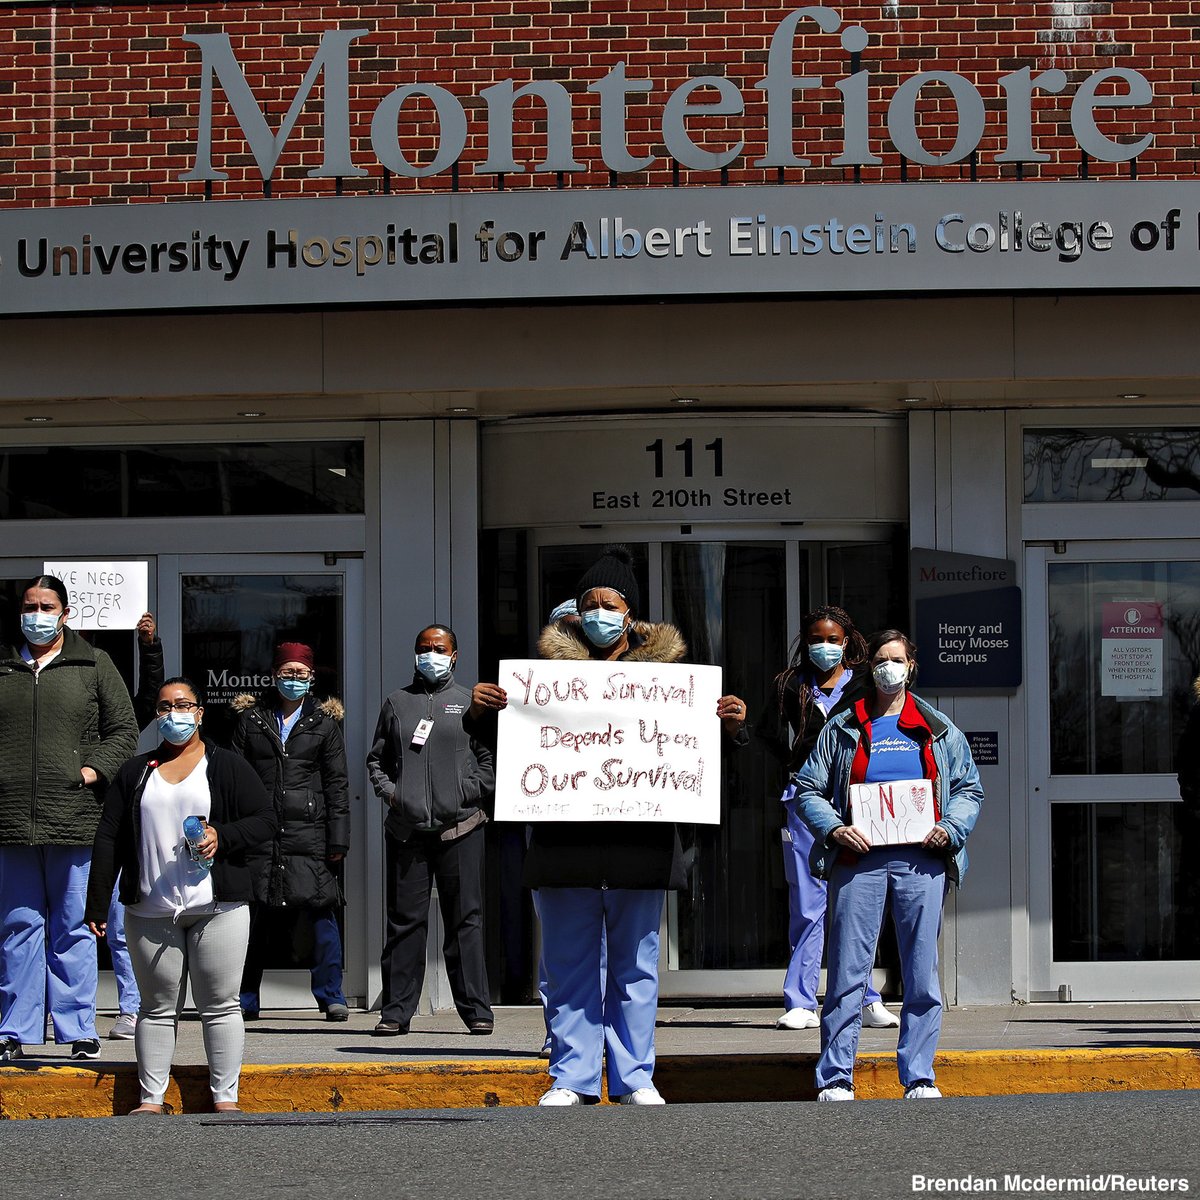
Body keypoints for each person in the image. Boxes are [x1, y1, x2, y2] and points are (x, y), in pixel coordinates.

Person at [469, 544, 749, 1106]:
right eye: (590, 603)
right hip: (564, 846)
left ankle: (634, 1077)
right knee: (568, 967)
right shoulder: (543, 681)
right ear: (576, 612)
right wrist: (482, 714)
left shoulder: (671, 683)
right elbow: (509, 752)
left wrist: (729, 728)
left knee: (636, 969)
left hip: (640, 848)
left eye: (610, 604)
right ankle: (571, 1077)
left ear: (630, 614)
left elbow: (702, 761)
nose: (599, 613)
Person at [796, 629, 983, 1101]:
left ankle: (919, 1076)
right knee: (847, 973)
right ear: (870, 667)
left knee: (921, 973)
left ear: (911, 666)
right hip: (857, 862)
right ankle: (836, 1077)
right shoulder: (844, 726)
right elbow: (808, 788)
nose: (888, 668)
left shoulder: (938, 728)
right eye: (881, 659)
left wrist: (951, 828)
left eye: (896, 659)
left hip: (922, 864)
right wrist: (834, 829)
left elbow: (968, 789)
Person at [85, 677, 276, 1114]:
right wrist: (97, 902)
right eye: (165, 707)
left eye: (184, 705)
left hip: (218, 907)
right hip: (150, 909)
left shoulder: (226, 765)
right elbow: (109, 837)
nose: (175, 714)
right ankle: (150, 1099)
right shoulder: (135, 772)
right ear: (157, 716)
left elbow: (265, 819)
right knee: (155, 1007)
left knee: (221, 1005)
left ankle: (225, 1097)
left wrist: (221, 835)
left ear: (200, 713)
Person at [0, 575, 139, 1064]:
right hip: (11, 821)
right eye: (29, 606)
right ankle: (14, 1028)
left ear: (65, 613)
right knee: (18, 928)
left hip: (75, 818)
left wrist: (90, 771)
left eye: (46, 606)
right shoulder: (3, 665)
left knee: (75, 928)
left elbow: (124, 730)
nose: (36, 615)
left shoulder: (94, 663)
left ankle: (78, 1027)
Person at [762, 605, 898, 1032]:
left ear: (847, 641)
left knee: (858, 901)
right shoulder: (790, 684)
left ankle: (865, 997)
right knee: (808, 904)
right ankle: (801, 1000)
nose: (824, 646)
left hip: (857, 801)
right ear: (806, 642)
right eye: (816, 639)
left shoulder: (864, 683)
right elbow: (766, 732)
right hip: (805, 802)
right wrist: (794, 763)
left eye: (832, 639)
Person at [367, 624, 495, 1037]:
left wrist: (467, 791)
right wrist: (394, 796)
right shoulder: (397, 702)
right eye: (424, 648)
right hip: (407, 831)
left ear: (454, 655)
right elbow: (377, 760)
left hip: (462, 827)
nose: (431, 654)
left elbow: (490, 760)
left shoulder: (470, 703)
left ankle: (476, 1010)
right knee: (405, 922)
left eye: (439, 648)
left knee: (465, 920)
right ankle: (396, 1012)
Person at [232, 642, 351, 1022]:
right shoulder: (251, 720)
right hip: (260, 833)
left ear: (311, 677)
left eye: (301, 673)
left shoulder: (324, 723)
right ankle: (245, 998)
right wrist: (234, 832)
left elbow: (337, 783)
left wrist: (338, 838)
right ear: (274, 675)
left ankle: (331, 996)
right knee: (252, 921)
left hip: (310, 834)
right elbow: (234, 778)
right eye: (287, 672)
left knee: (320, 916)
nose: (294, 679)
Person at [106, 610, 166, 1042]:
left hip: (112, 830)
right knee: (58, 925)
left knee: (118, 923)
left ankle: (131, 1007)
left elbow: (147, 699)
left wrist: (149, 648)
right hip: (62, 828)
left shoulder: (117, 719)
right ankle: (52, 1009)